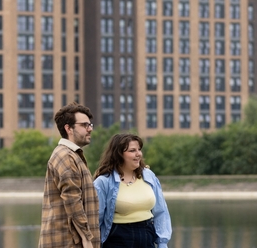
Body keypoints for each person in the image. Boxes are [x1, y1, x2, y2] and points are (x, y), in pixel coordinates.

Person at [38, 102, 100, 248]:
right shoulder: (65, 156)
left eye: (90, 124)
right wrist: (86, 239)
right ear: (68, 128)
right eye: (84, 125)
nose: (90, 129)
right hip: (68, 243)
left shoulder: (72, 155)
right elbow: (73, 201)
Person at [93, 133, 172, 248]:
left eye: (139, 149)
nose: (138, 154)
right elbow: (96, 219)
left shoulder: (148, 175)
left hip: (147, 234)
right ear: (118, 154)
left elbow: (161, 211)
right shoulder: (103, 182)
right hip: (118, 237)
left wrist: (162, 242)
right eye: (132, 150)